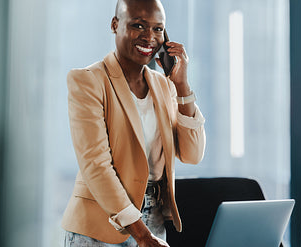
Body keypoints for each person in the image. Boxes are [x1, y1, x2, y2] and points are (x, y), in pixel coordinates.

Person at [61, 0, 206, 246]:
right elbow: (96, 165)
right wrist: (141, 235)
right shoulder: (88, 81)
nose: (149, 37)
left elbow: (193, 154)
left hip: (154, 219)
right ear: (115, 25)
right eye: (138, 25)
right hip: (102, 225)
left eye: (158, 29)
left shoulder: (164, 85)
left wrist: (182, 85)